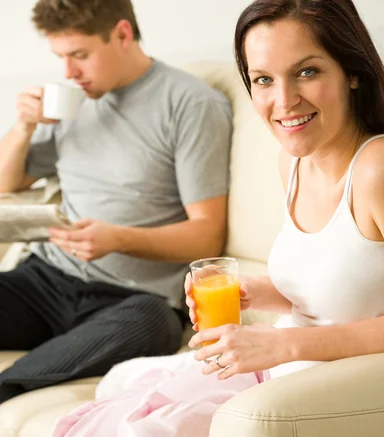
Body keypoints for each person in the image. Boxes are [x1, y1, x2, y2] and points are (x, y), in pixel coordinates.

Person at [42, 0, 384, 437]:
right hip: (277, 369)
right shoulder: (293, 161)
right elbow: (336, 283)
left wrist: (284, 347)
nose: (285, 101)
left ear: (353, 74)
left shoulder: (382, 168)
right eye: (263, 80)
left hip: (332, 392)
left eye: (307, 71)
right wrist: (255, 293)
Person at [0, 0, 232, 402]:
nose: (69, 72)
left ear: (123, 34)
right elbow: (7, 184)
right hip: (47, 280)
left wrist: (118, 239)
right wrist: (23, 127)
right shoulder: (72, 103)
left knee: (152, 323)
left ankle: (12, 384)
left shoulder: (191, 104)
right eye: (61, 57)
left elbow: (207, 237)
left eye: (80, 55)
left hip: (131, 299)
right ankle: (61, 352)